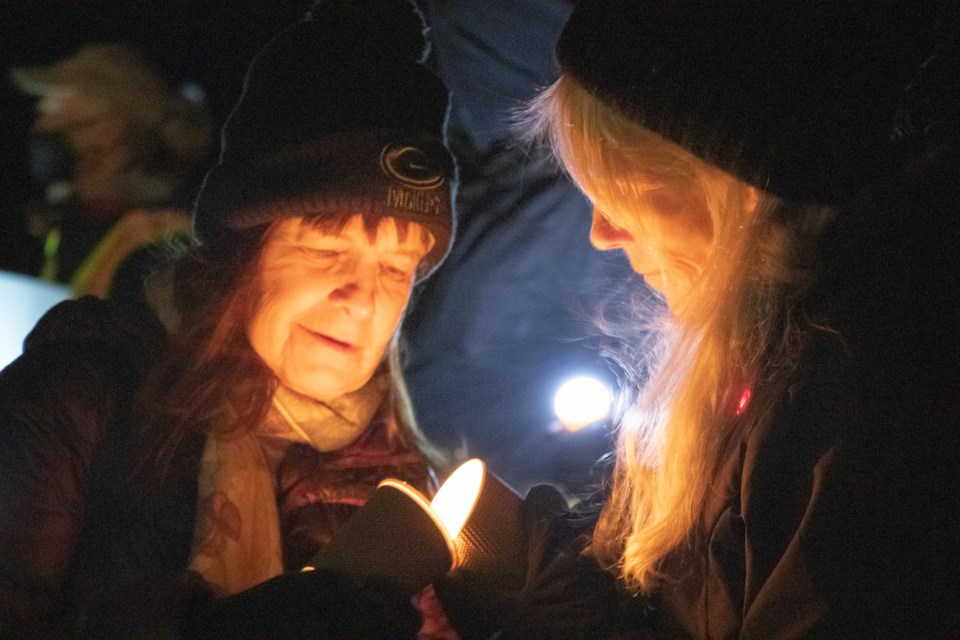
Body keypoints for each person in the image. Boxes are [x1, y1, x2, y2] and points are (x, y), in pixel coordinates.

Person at [493, 1, 960, 638]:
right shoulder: (756, 358)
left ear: (736, 185)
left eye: (621, 186)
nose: (602, 232)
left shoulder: (858, 411)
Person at [0, 0, 458, 637]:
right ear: (243, 256)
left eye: (397, 269)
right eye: (326, 250)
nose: (363, 298)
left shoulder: (394, 478)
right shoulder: (76, 404)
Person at [10, 42, 212, 297]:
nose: (40, 125)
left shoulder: (164, 246)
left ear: (109, 131)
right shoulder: (71, 228)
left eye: (51, 106)